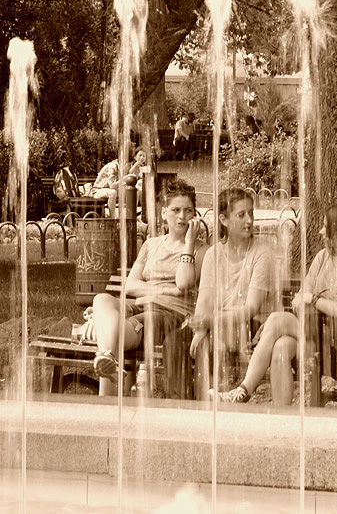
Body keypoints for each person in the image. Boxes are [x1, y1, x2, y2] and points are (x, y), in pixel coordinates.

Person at [213, 203, 337, 405]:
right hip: (312, 335)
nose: (321, 232)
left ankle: (242, 390)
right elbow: (298, 301)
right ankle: (279, 414)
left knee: (276, 320)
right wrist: (325, 304)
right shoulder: (323, 257)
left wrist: (314, 300)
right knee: (281, 347)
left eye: (326, 227)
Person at [85, 178, 203, 395]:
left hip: (169, 315)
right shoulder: (151, 244)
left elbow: (184, 283)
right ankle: (107, 356)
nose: (182, 216)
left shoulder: (200, 249)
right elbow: (130, 286)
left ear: (194, 215)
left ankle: (106, 372)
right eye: (175, 210)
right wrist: (166, 290)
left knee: (110, 331)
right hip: (140, 306)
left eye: (188, 211)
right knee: (101, 299)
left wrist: (189, 243)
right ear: (164, 213)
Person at [189, 187, 277, 401]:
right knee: (179, 342)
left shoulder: (262, 253)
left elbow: (250, 309)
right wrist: (200, 329)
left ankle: (221, 402)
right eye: (241, 215)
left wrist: (210, 322)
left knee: (219, 338)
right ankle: (190, 406)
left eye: (251, 213)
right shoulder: (213, 254)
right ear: (224, 220)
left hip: (253, 327)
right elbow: (205, 301)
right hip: (219, 323)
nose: (249, 220)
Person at [88, 147, 145, 215]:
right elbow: (112, 186)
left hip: (111, 190)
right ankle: (112, 218)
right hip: (98, 190)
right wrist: (125, 178)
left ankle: (131, 215)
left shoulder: (122, 168)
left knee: (135, 191)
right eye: (128, 164)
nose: (128, 166)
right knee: (113, 193)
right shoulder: (112, 166)